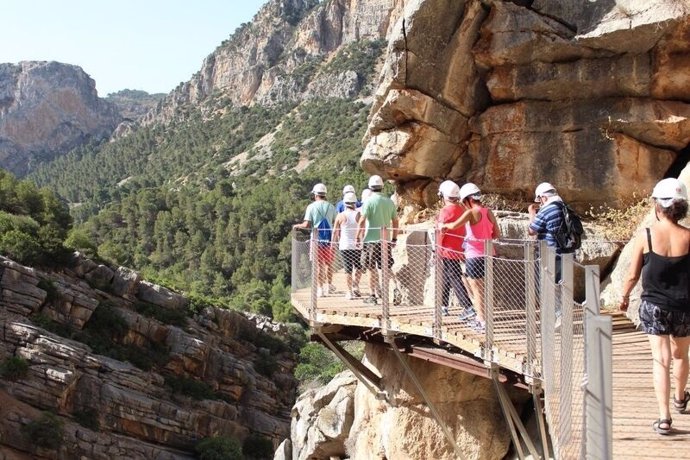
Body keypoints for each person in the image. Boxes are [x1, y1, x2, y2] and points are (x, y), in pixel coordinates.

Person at [619, 177, 690, 435]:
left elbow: (632, 275)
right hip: (684, 307)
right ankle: (680, 398)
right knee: (681, 355)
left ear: (657, 206)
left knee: (661, 360)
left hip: (654, 306)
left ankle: (664, 418)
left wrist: (624, 296)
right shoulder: (689, 237)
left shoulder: (646, 235)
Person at [441, 183, 500, 333]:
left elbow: (454, 225)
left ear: (467, 199)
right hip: (489, 255)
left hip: (474, 256)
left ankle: (481, 321)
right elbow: (496, 234)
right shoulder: (489, 212)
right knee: (485, 289)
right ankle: (484, 318)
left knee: (477, 290)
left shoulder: (470, 213)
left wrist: (444, 226)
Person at [357, 175, 399, 304]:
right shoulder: (389, 202)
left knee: (371, 268)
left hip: (371, 240)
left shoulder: (369, 202)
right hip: (385, 240)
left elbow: (362, 220)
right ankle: (397, 288)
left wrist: (358, 237)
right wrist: (394, 238)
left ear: (370, 187)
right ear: (382, 187)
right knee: (386, 266)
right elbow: (395, 221)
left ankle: (372, 295)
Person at [435, 180, 473, 319]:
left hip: (447, 249)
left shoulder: (445, 211)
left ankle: (467, 306)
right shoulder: (462, 209)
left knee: (454, 276)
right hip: (459, 248)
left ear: (443, 195)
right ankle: (443, 305)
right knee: (447, 275)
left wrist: (437, 249)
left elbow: (441, 231)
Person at [293, 183, 337, 297]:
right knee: (329, 264)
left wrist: (297, 225)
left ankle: (320, 289)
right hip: (329, 239)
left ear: (315, 194)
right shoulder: (331, 207)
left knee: (318, 265)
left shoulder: (311, 207)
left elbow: (306, 224)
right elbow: (335, 222)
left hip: (316, 239)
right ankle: (329, 285)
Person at [527, 182, 567, 281]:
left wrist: (532, 213)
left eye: (540, 200)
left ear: (544, 197)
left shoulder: (547, 209)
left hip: (550, 254)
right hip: (567, 253)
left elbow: (532, 231)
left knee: (545, 287)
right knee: (563, 286)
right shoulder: (564, 206)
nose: (540, 203)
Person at [332, 191, 362, 299]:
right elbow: (362, 229)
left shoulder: (340, 216)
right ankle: (355, 285)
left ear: (344, 203)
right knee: (358, 267)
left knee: (348, 270)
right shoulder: (358, 215)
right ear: (354, 203)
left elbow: (335, 231)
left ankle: (349, 291)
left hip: (344, 246)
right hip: (357, 245)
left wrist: (332, 244)